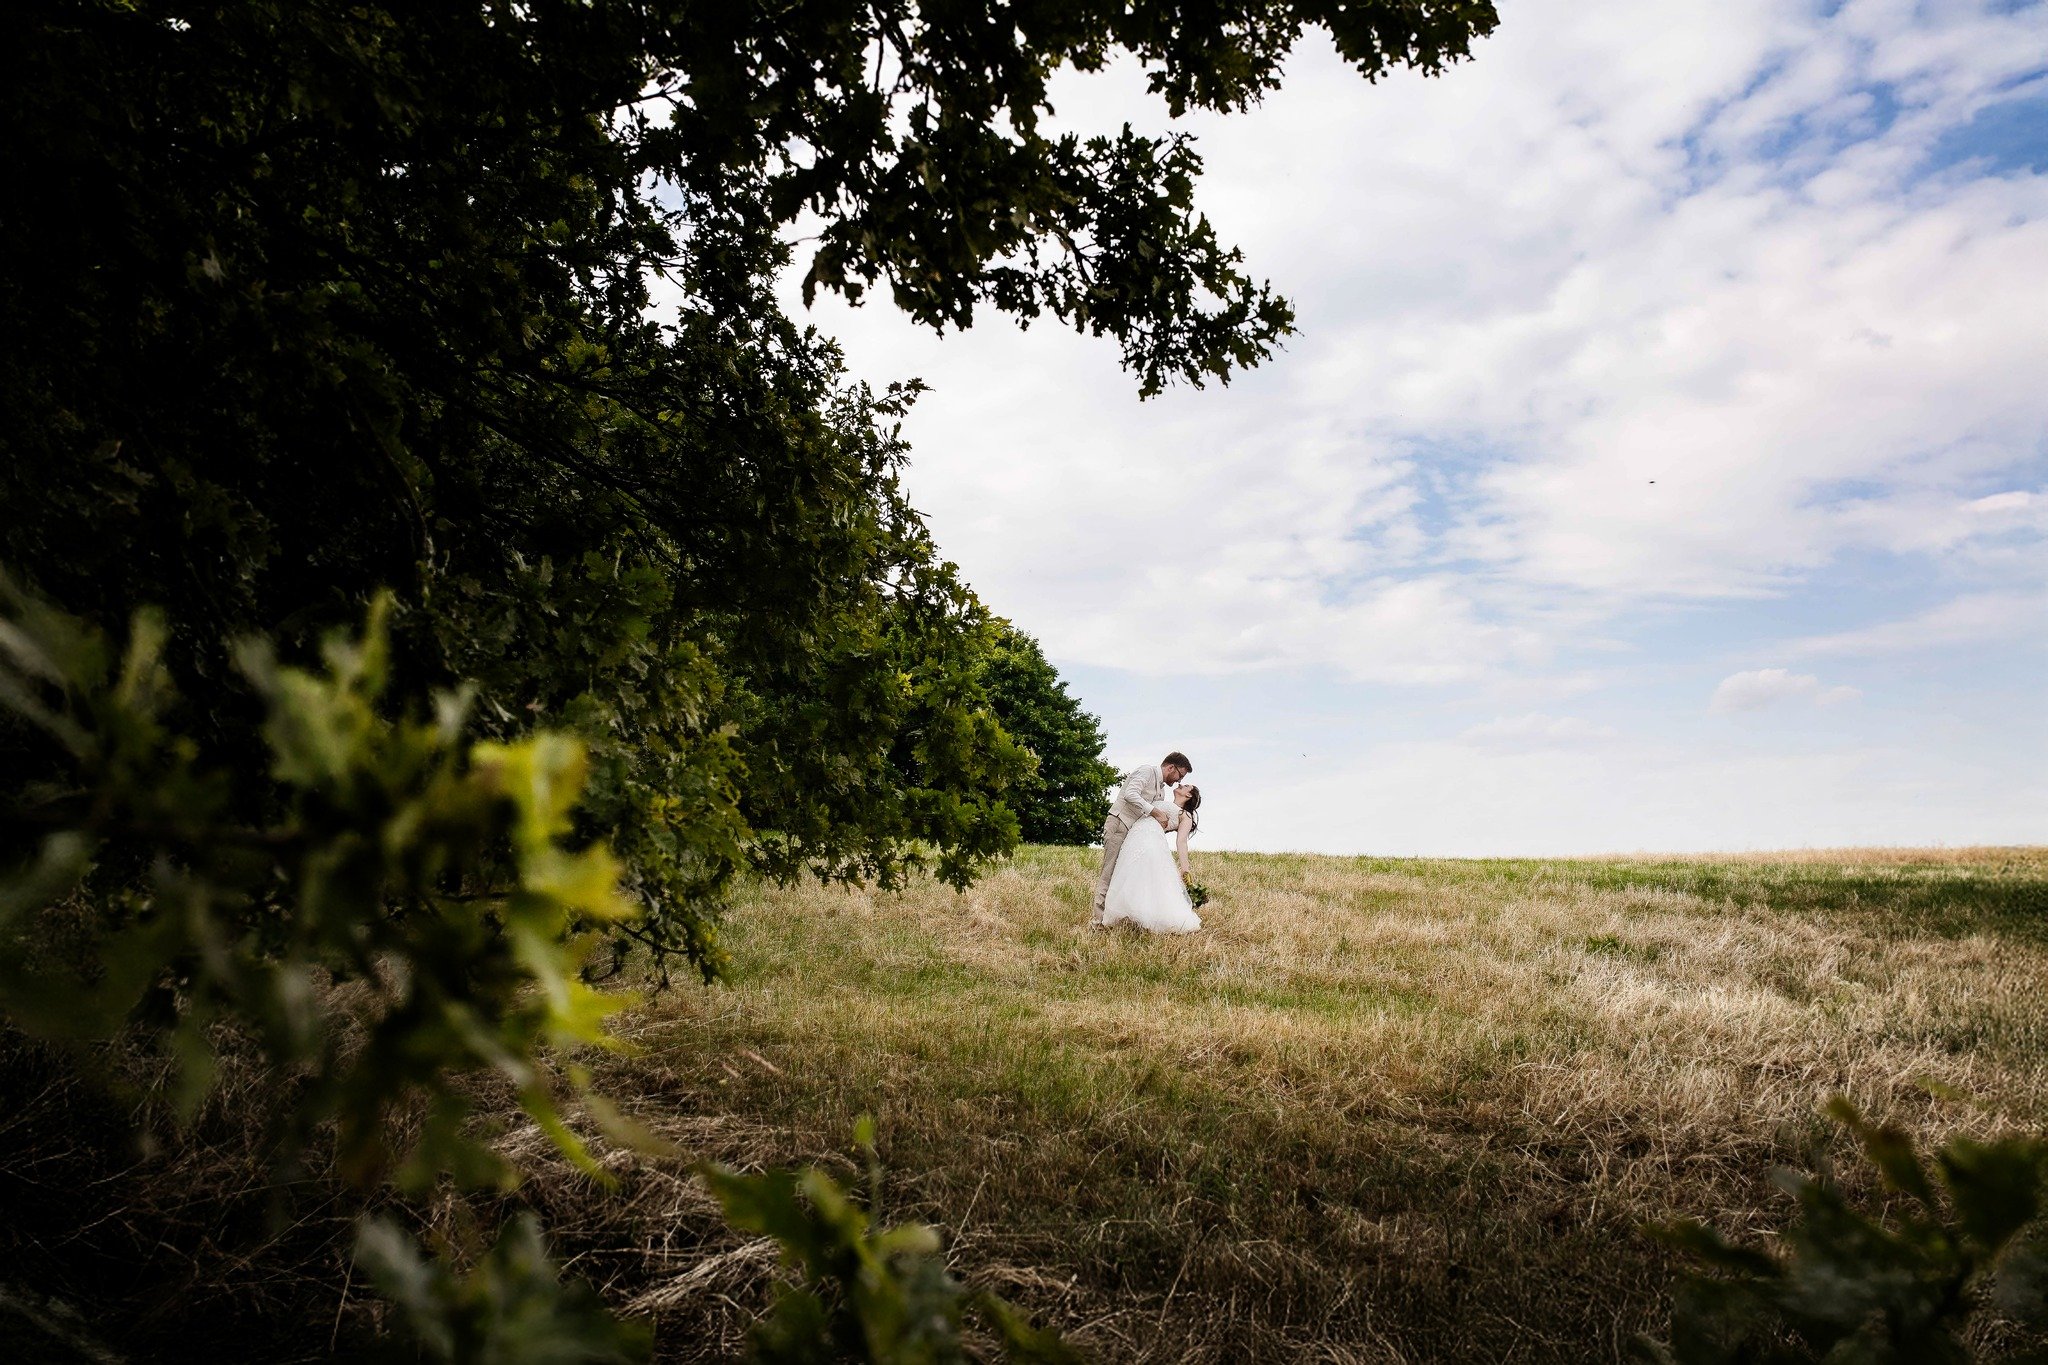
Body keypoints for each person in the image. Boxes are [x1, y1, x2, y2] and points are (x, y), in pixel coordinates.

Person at [1091, 751, 1191, 928]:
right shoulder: (1147, 771)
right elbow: (1130, 794)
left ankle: (1116, 920)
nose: (1178, 781)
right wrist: (1156, 812)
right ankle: (1097, 923)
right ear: (1171, 767)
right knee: (1109, 873)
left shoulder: (1161, 792)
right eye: (1180, 776)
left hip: (1134, 835)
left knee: (1123, 875)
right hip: (1119, 823)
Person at [1100, 782, 1203, 933]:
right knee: (1131, 875)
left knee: (1148, 875)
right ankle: (1132, 916)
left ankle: (1152, 918)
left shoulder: (1185, 815)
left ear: (1188, 795)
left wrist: (1185, 868)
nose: (1181, 783)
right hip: (1134, 838)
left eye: (1186, 786)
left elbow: (1181, 842)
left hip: (1151, 840)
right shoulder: (1162, 800)